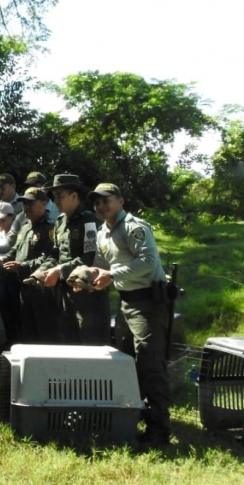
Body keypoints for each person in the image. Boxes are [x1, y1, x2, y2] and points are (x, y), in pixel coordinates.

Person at [81, 182, 171, 445]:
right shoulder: (102, 233)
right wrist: (89, 278)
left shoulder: (135, 227)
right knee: (126, 363)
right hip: (125, 302)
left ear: (120, 200)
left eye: (105, 200)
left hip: (148, 304)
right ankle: (133, 416)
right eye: (96, 201)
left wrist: (111, 275)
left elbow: (148, 262)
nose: (100, 205)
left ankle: (159, 430)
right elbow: (100, 264)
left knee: (150, 365)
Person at [41, 174, 110, 345]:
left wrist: (59, 270)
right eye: (54, 196)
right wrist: (44, 271)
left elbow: (90, 256)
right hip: (66, 290)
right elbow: (56, 253)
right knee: (69, 338)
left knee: (90, 340)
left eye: (60, 196)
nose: (56, 201)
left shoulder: (88, 220)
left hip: (87, 291)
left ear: (73, 196)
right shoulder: (60, 222)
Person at [0, 187, 57, 344]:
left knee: (44, 334)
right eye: (24, 203)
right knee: (26, 332)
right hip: (21, 288)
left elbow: (50, 259)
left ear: (44, 204)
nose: (27, 207)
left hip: (41, 289)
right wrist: (1, 260)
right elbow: (14, 251)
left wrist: (21, 266)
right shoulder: (24, 227)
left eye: (31, 203)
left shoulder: (50, 229)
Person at [0, 201, 20, 346]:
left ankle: (20, 339)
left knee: (17, 310)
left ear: (12, 217)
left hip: (14, 275)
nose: (0, 222)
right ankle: (9, 340)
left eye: (3, 219)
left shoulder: (18, 232)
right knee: (4, 311)